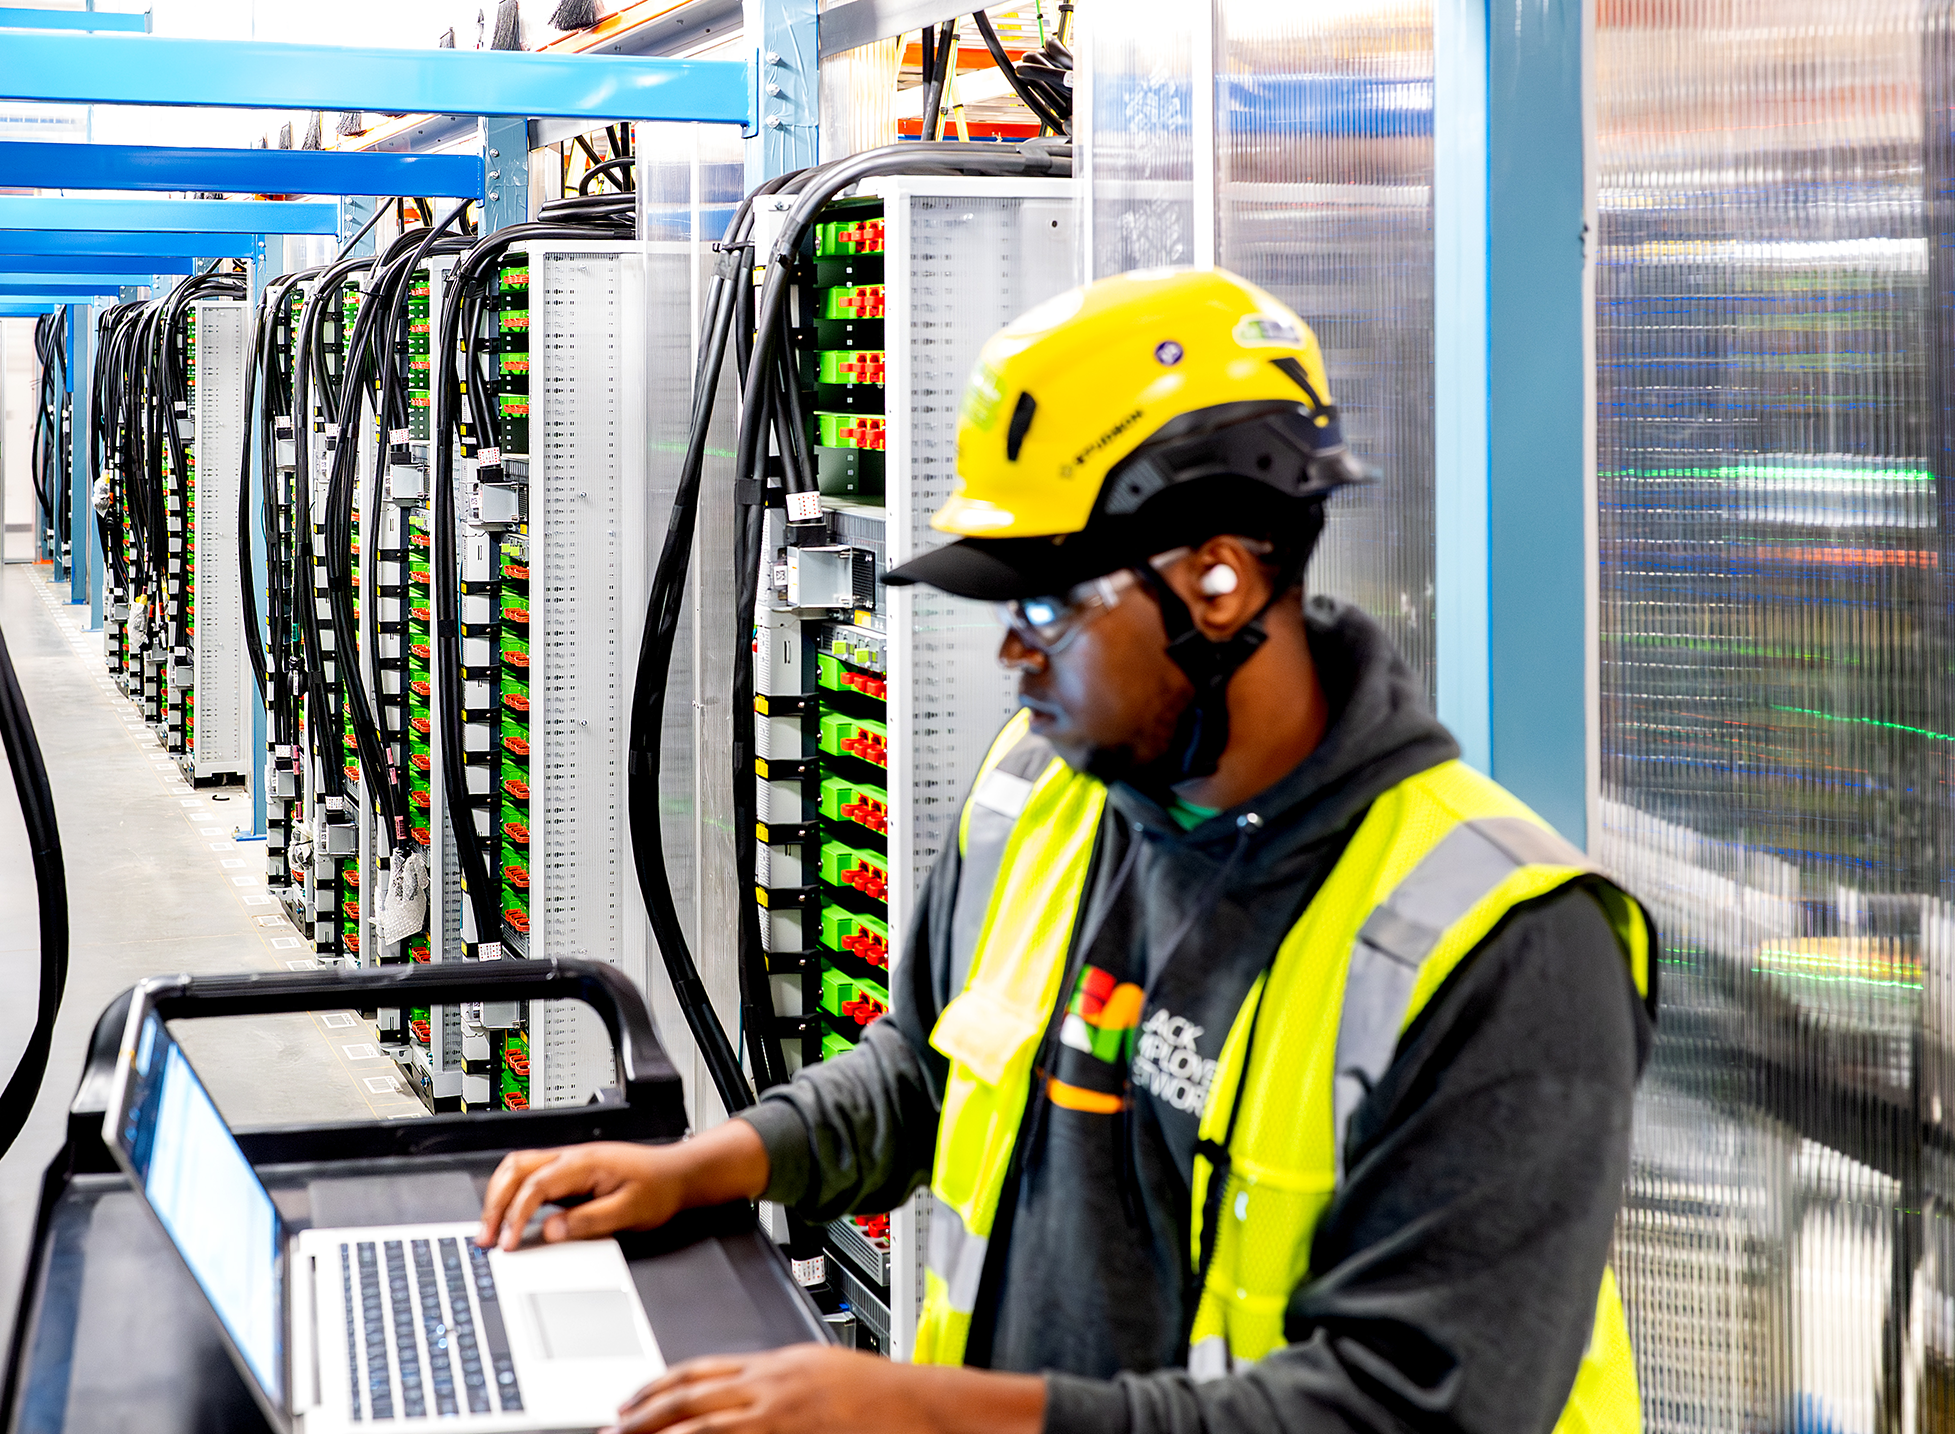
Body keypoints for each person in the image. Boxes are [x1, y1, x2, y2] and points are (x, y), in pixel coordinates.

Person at [479, 268, 1655, 1434]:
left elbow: (1408, 1408)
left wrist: (929, 1414)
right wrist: (708, 1166)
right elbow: (926, 1073)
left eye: (1048, 605)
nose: (1015, 656)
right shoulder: (1043, 793)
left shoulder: (1500, 943)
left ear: (1220, 579)